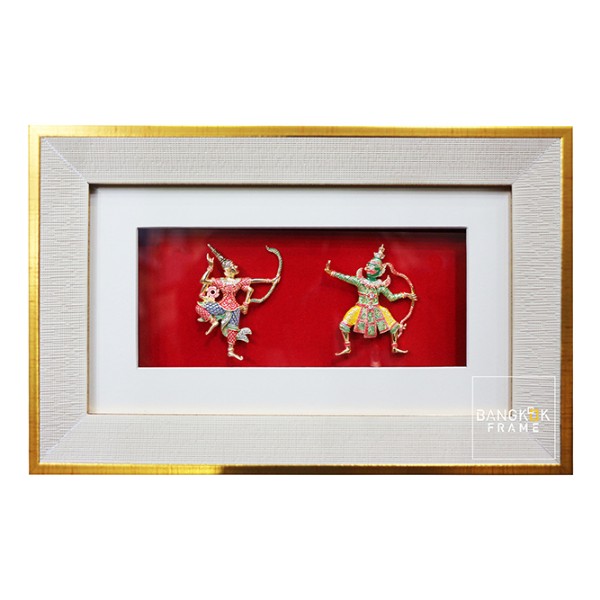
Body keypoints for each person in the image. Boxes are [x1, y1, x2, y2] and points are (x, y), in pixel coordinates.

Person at [325, 245, 417, 355]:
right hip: (360, 308)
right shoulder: (360, 281)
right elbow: (345, 278)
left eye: (372, 267)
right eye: (368, 265)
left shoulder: (380, 286)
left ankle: (394, 346)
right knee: (344, 325)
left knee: (394, 326)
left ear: (379, 271)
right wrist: (331, 272)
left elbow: (391, 297)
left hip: (377, 309)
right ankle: (347, 347)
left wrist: (405, 295)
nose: (368, 268)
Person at [196, 244, 281, 361]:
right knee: (200, 308)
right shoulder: (223, 281)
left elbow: (254, 281)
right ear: (227, 270)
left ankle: (230, 350)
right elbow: (203, 281)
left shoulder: (237, 281)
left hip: (228, 307)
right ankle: (213, 322)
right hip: (230, 307)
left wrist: (270, 280)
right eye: (233, 266)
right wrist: (210, 268)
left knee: (233, 328)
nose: (235, 266)